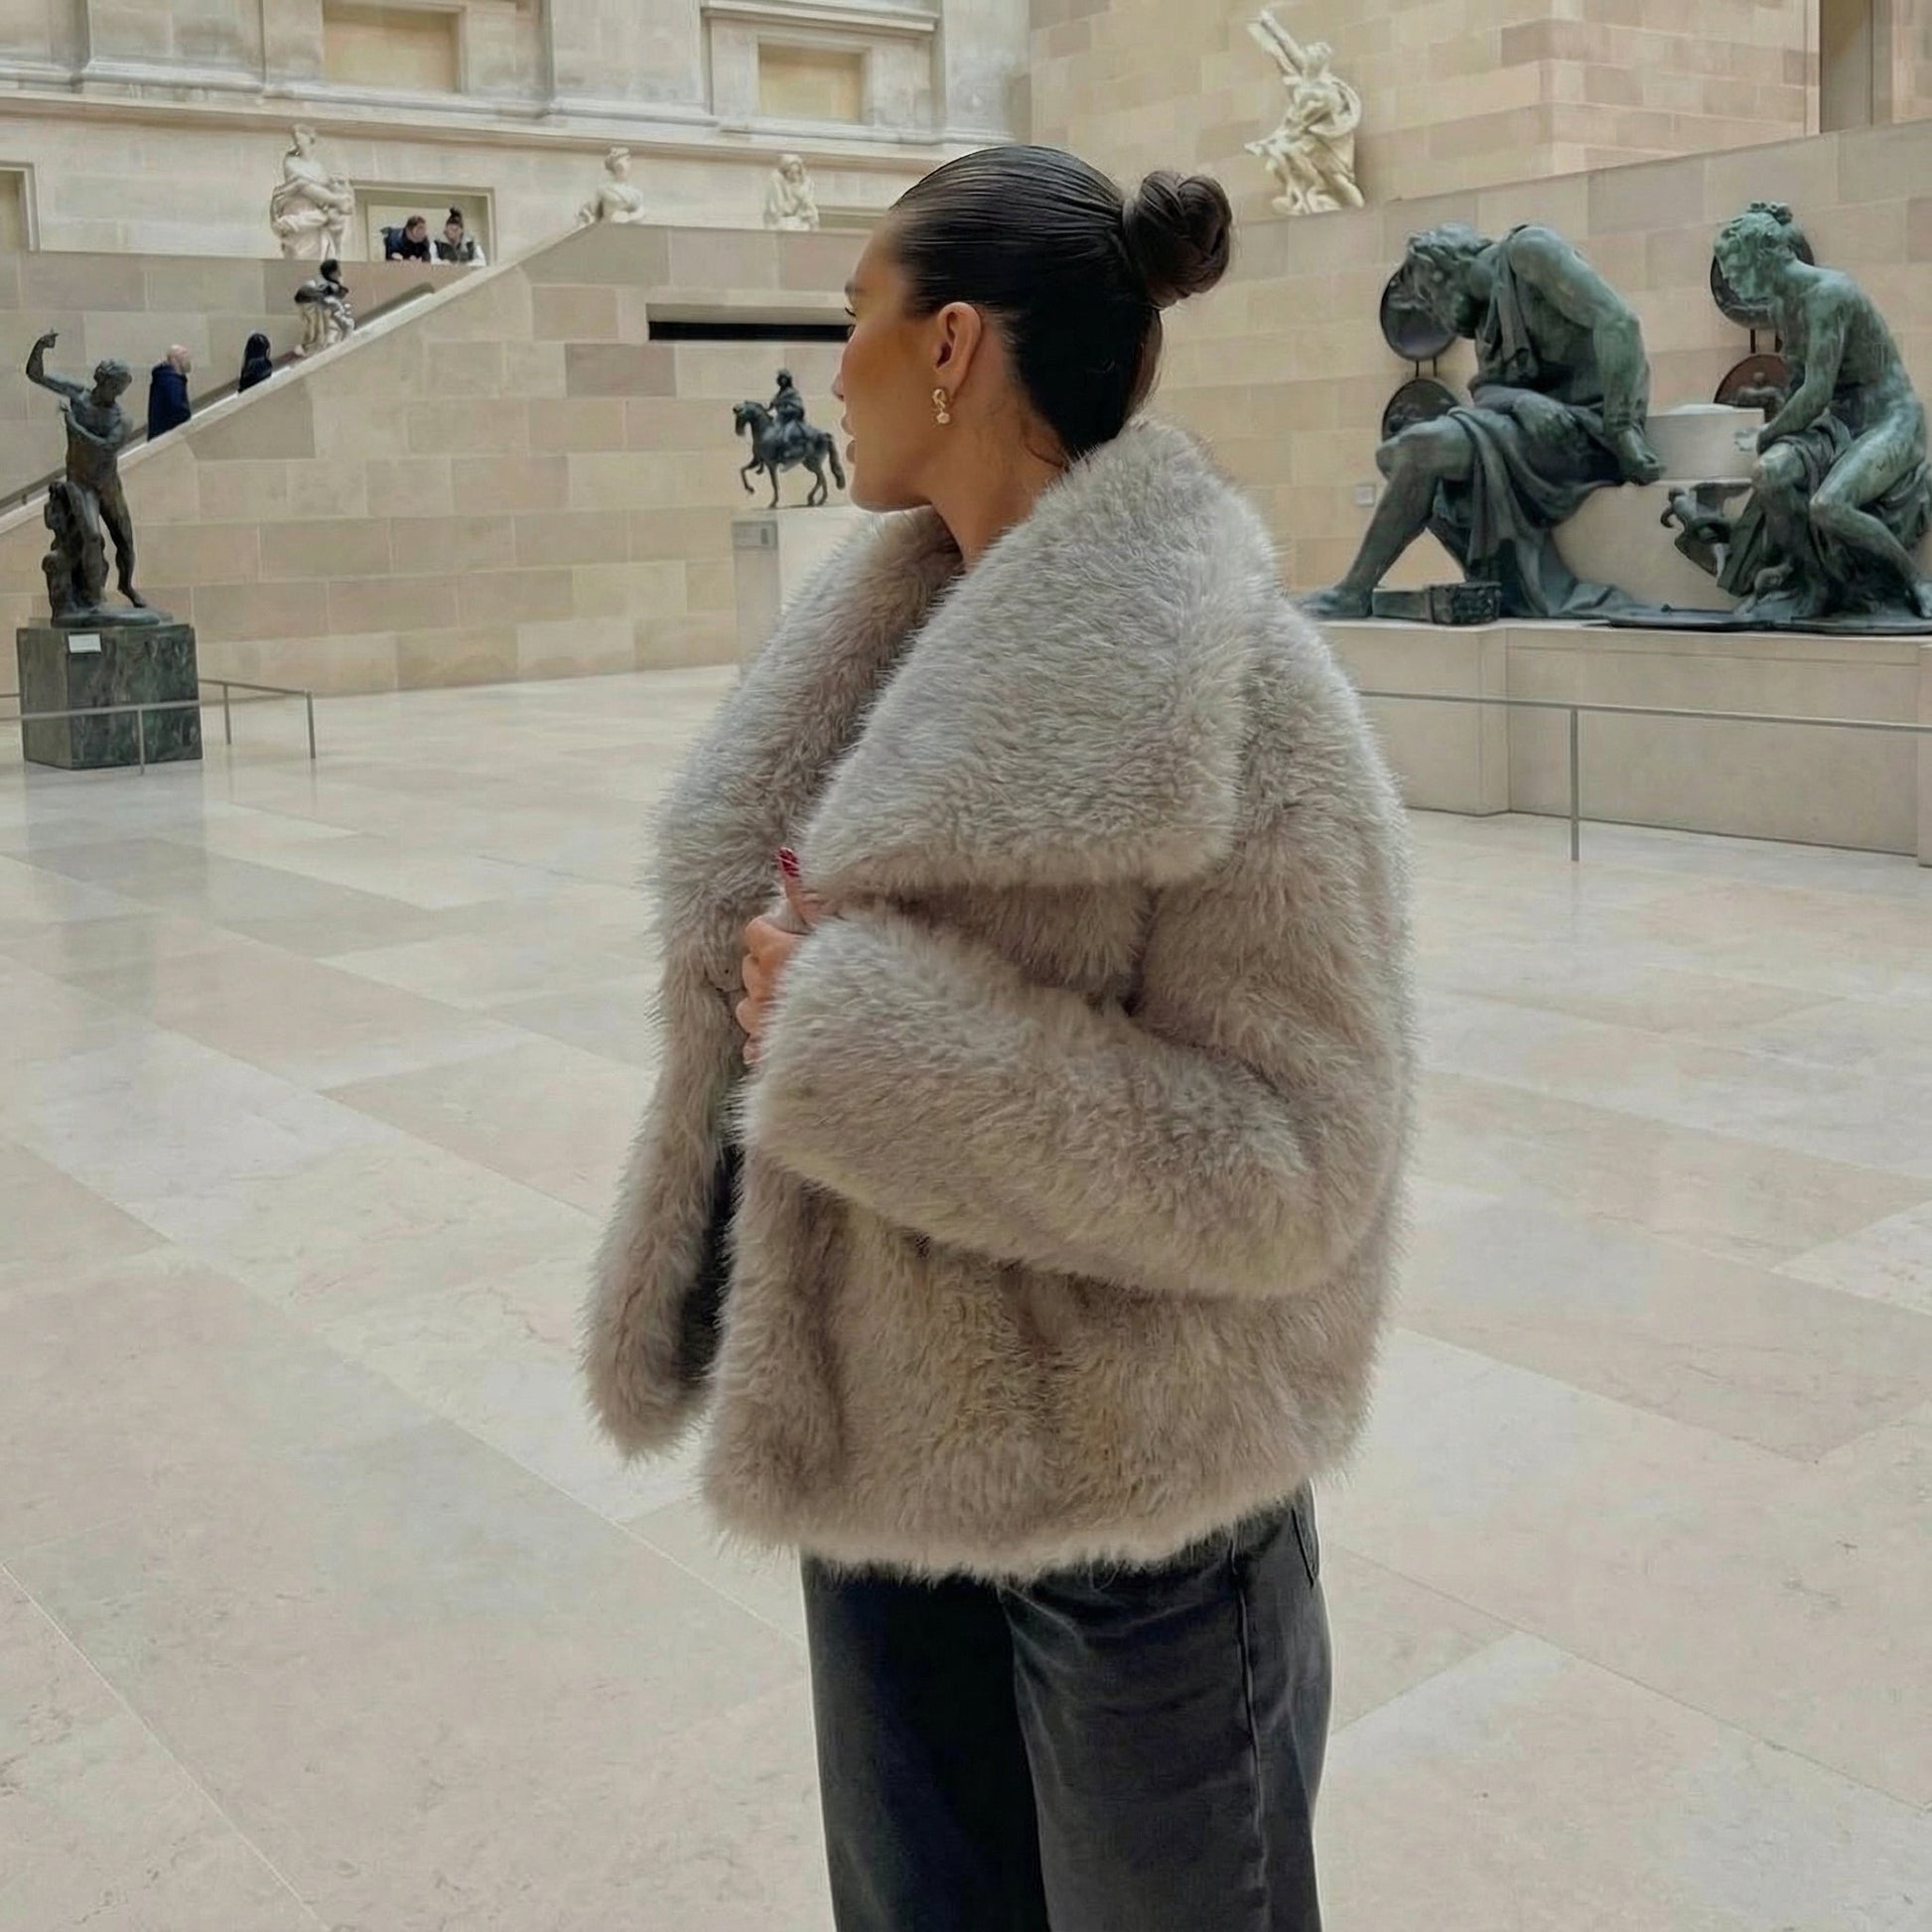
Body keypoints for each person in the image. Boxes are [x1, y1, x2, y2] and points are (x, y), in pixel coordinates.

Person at [586, 143, 1415, 1932]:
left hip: (1137, 1523)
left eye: (856, 318)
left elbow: (1296, 1162)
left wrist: (864, 1043)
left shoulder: (1236, 688)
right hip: (879, 1488)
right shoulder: (869, 639)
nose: (833, 371)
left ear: (952, 344)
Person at [1303, 221, 1666, 621]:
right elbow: (1489, 390)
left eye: (1429, 300)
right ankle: (1360, 590)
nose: (1437, 318)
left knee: (1420, 449)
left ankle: (1353, 592)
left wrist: (1623, 430)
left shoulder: (1529, 252)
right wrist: (1523, 401)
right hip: (1533, 434)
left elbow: (1618, 322)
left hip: (1587, 432)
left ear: (1440, 272)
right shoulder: (1487, 323)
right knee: (1394, 455)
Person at [1704, 200, 1932, 623]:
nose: (1731, 280)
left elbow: (1816, 390)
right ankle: (1814, 581)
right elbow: (1797, 383)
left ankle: (1914, 579)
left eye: (1734, 269)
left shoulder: (1830, 294)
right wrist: (1782, 438)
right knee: (1769, 473)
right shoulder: (1781, 306)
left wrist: (1768, 433)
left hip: (1890, 420)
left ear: (1763, 258)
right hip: (1839, 422)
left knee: (1829, 505)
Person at [26, 332, 145, 613]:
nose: (118, 392)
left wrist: (73, 426)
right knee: (91, 535)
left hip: (108, 483)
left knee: (125, 541)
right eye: (116, 386)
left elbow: (105, 447)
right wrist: (40, 348)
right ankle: (95, 597)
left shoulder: (121, 419)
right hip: (80, 482)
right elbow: (36, 375)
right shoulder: (78, 395)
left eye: (121, 388)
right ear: (104, 381)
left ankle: (126, 585)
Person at [145, 345, 192, 441]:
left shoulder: (166, 378)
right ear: (174, 359)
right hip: (167, 436)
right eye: (184, 356)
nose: (188, 361)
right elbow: (177, 408)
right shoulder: (171, 381)